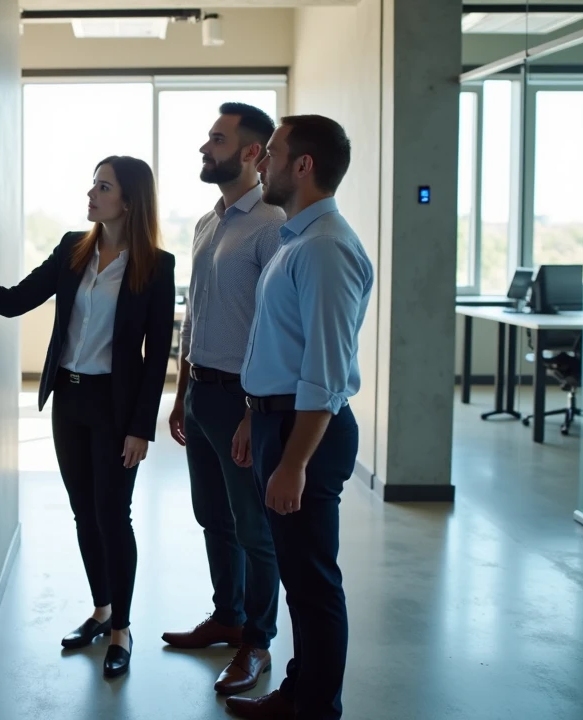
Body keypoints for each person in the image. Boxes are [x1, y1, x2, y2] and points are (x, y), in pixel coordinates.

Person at [0, 156, 176, 679]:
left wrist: (140, 428)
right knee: (84, 513)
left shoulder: (157, 264)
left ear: (128, 201)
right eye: (92, 184)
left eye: (103, 187)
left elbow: (157, 356)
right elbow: (19, 300)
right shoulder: (73, 248)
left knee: (114, 517)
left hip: (116, 408)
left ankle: (121, 631)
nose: (91, 194)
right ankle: (101, 610)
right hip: (69, 399)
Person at [225, 115, 374, 720]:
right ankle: (301, 691)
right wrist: (250, 417)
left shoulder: (326, 248)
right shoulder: (296, 241)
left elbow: (323, 373)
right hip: (276, 421)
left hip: (302, 431)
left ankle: (314, 706)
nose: (263, 163)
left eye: (274, 153)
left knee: (312, 584)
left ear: (303, 165)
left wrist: (292, 462)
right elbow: (277, 349)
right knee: (299, 577)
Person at [161, 103, 284, 698]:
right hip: (201, 391)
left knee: (253, 527)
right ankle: (227, 615)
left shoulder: (273, 223)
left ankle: (257, 641)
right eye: (208, 138)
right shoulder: (208, 224)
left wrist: (251, 410)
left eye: (217, 139)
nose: (204, 148)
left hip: (244, 399)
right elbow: (197, 317)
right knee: (213, 515)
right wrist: (181, 391)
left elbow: (271, 326)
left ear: (253, 153)